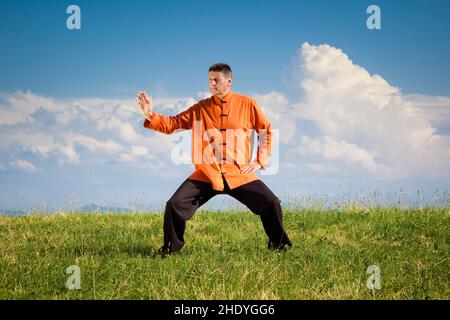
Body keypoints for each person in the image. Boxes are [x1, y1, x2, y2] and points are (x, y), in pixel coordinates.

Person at [136, 63, 292, 255]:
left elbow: (265, 131)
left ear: (228, 81)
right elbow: (173, 124)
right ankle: (170, 249)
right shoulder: (201, 108)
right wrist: (150, 114)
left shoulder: (247, 104)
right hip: (207, 174)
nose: (212, 83)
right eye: (210, 80)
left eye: (216, 80)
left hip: (239, 172)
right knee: (174, 205)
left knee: (271, 203)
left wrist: (260, 160)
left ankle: (280, 246)